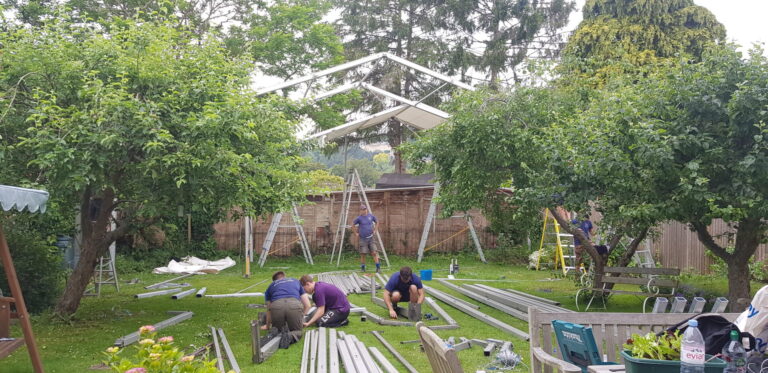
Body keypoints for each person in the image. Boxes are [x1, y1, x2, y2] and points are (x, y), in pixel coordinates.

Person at [352, 204, 380, 273]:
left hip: (371, 238)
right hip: (363, 239)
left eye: (365, 209)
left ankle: (378, 268)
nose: (364, 211)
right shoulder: (359, 218)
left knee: (374, 253)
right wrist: (356, 233)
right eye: (362, 209)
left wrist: (375, 230)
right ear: (360, 211)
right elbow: (352, 225)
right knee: (363, 254)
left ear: (366, 209)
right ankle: (363, 268)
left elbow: (377, 222)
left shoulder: (371, 216)